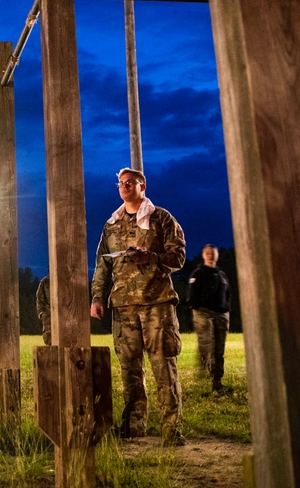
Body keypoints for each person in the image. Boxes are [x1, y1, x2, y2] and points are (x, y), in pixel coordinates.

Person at [90, 167, 187, 447]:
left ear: (142, 186)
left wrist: (152, 258)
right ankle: (134, 428)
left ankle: (171, 431)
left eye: (130, 182)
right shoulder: (112, 224)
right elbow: (102, 266)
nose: (124, 186)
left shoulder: (161, 218)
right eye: (120, 183)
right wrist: (97, 298)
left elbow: (178, 255)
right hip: (123, 307)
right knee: (129, 370)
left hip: (156, 304)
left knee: (163, 368)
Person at [186, 244, 231, 393]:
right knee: (208, 345)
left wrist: (226, 308)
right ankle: (205, 379)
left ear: (217, 255)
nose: (210, 255)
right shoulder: (198, 273)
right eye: (207, 253)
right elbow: (191, 295)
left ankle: (217, 381)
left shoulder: (222, 275)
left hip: (221, 314)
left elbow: (228, 294)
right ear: (203, 255)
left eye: (213, 253)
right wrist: (197, 307)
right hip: (203, 313)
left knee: (219, 349)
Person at [36, 276, 51, 346]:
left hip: (65, 317)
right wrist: (42, 313)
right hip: (48, 315)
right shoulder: (45, 282)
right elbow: (39, 299)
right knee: (49, 340)